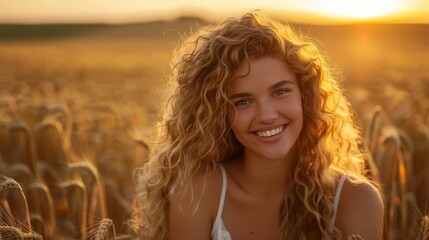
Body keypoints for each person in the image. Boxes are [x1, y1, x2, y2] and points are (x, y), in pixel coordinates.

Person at [129, 11, 384, 240]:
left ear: (306, 96)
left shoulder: (357, 201)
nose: (266, 115)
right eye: (242, 102)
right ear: (219, 114)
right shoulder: (198, 193)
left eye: (280, 92)